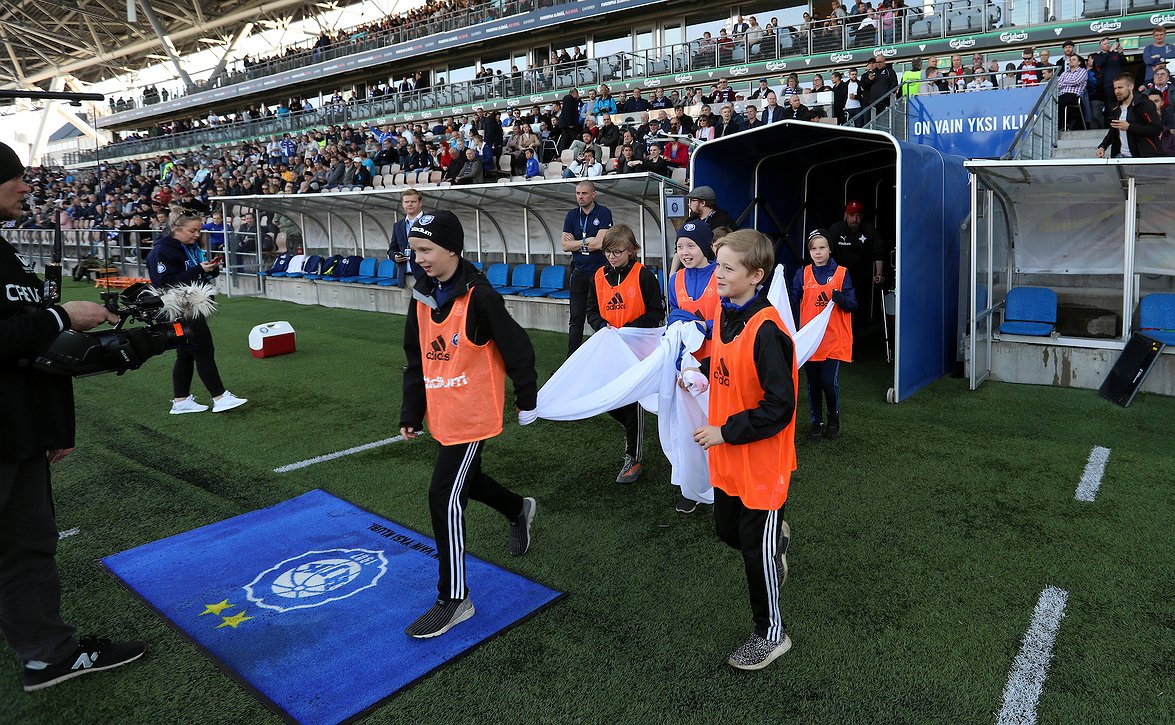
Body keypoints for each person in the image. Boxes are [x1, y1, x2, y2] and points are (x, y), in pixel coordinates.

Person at [0, 142, 147, 692]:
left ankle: (48, 655)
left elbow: (29, 347)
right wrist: (60, 314)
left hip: (22, 431)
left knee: (28, 546)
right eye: (14, 178)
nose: (24, 188)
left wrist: (53, 424)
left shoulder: (6, 250)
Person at [398, 210, 538, 639]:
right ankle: (518, 508)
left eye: (426, 250)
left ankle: (454, 598)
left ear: (453, 249)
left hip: (473, 416)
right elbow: (415, 359)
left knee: (444, 493)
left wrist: (526, 397)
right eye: (415, 250)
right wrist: (411, 411)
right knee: (468, 482)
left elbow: (518, 347)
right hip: (443, 413)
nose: (418, 258)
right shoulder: (422, 295)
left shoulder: (480, 295)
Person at [691, 228, 797, 671]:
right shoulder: (724, 307)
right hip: (729, 456)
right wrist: (696, 365)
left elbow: (781, 407)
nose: (717, 274)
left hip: (760, 461)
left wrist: (726, 431)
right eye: (718, 264)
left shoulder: (768, 330)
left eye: (727, 267)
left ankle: (772, 634)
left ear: (757, 276)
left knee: (753, 549)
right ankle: (777, 546)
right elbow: (726, 362)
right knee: (728, 534)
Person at [585, 225, 664, 483]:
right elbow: (592, 312)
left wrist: (629, 329)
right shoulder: (597, 276)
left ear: (632, 250)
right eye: (608, 252)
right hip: (610, 350)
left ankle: (634, 457)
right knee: (606, 398)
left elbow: (656, 314)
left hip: (637, 351)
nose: (612, 257)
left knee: (632, 404)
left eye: (617, 251)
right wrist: (601, 326)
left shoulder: (644, 276)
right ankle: (634, 430)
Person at [147, 213, 248, 415]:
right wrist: (197, 270)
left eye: (199, 230)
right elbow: (165, 282)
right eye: (192, 231)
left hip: (190, 305)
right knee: (203, 351)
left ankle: (181, 400)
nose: (196, 235)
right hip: (180, 308)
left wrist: (209, 270)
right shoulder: (162, 251)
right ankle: (219, 397)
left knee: (185, 354)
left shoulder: (188, 247)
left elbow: (193, 272)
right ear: (176, 228)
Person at [667, 221, 718, 513]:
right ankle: (693, 486)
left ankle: (720, 483)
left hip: (717, 362)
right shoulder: (675, 280)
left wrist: (702, 326)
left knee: (717, 423)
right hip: (687, 366)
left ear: (705, 246)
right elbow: (674, 318)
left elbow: (730, 318)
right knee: (689, 425)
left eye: (691, 245)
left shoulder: (720, 273)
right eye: (680, 247)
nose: (685, 252)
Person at [790, 230, 855, 443]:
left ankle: (833, 417)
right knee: (813, 384)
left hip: (833, 340)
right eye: (813, 248)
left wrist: (842, 300)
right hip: (810, 341)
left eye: (822, 247)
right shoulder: (802, 273)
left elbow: (853, 304)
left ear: (829, 249)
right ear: (809, 251)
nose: (818, 252)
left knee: (828, 381)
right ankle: (816, 422)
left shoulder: (842, 273)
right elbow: (791, 301)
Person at [561, 181, 612, 355]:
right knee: (576, 318)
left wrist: (577, 243)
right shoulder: (572, 215)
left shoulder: (604, 213)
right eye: (577, 193)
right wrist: (586, 241)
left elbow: (599, 244)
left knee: (600, 317)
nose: (580, 197)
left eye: (584, 193)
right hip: (579, 272)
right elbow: (564, 246)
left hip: (599, 273)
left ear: (593, 194)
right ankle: (571, 359)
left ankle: (605, 355)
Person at [826, 200, 886, 329]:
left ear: (862, 216)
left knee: (860, 305)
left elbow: (879, 252)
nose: (855, 218)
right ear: (846, 215)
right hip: (840, 277)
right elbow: (827, 253)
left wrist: (879, 273)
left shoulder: (869, 230)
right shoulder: (836, 229)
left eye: (858, 215)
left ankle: (860, 332)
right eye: (852, 215)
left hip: (862, 276)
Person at [1097, 73, 1164, 159]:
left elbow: (1156, 129)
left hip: (1142, 157)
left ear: (1131, 87)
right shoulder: (1116, 108)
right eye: (1115, 88)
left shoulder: (1145, 104)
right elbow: (1114, 130)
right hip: (1121, 156)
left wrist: (1130, 127)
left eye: (1120, 87)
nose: (1117, 91)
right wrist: (1103, 146)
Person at [388, 188, 427, 285]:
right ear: (402, 204)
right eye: (406, 202)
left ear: (420, 203)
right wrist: (395, 257)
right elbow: (392, 249)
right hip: (404, 279)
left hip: (425, 278)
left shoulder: (430, 222)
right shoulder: (398, 225)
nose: (409, 204)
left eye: (413, 201)